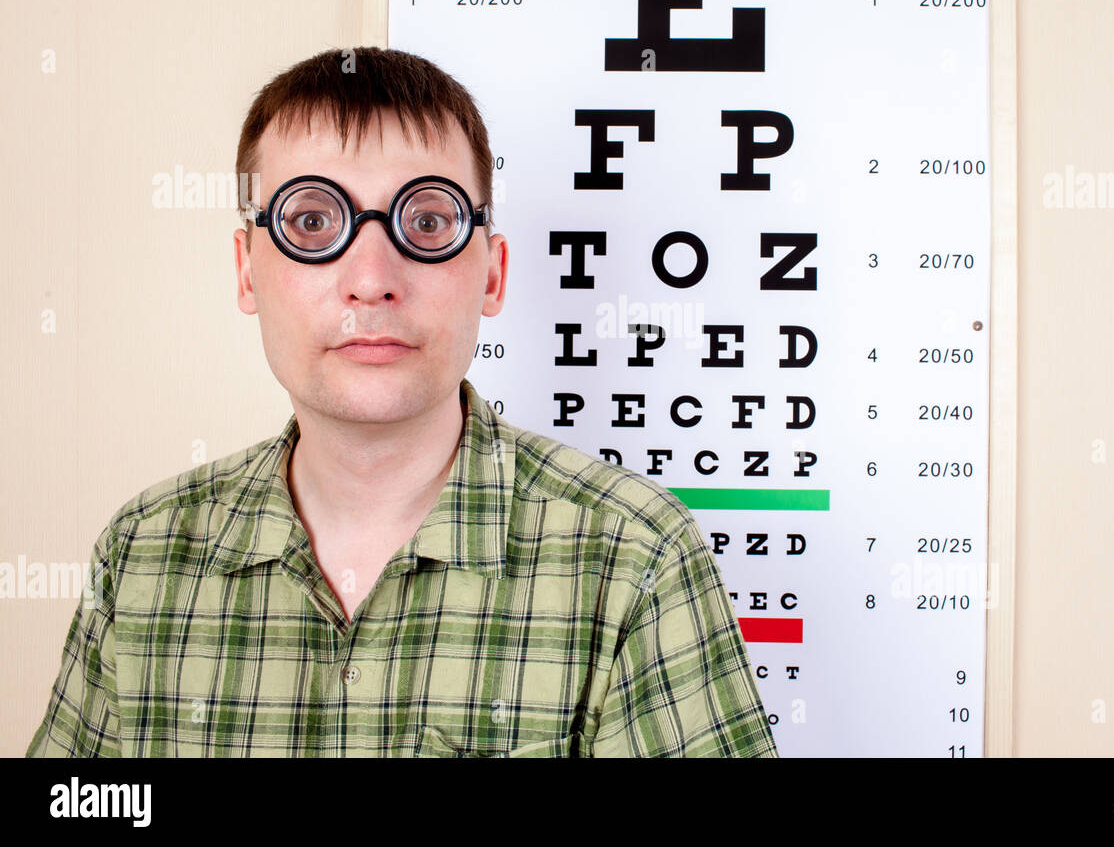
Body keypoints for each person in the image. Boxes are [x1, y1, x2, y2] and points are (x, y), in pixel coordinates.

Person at [26, 46, 778, 758]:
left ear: (491, 274)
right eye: (313, 221)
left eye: (426, 221)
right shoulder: (142, 557)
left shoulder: (635, 557)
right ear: (247, 271)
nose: (371, 279)